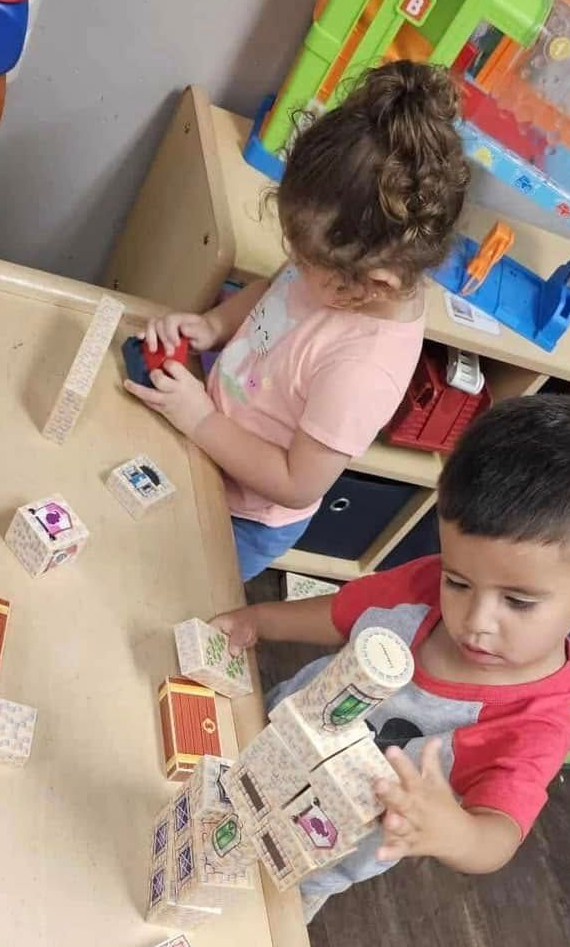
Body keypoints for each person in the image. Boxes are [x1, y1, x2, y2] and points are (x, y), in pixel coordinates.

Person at [212, 392, 570, 919]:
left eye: (518, 601)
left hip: (310, 863)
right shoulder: (421, 586)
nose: (476, 621)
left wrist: (455, 833)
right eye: (458, 581)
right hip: (260, 736)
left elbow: (498, 835)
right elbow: (344, 614)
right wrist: (258, 621)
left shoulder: (537, 723)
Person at [124, 61, 469, 581]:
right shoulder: (334, 275)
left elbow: (295, 481)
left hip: (246, 514)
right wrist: (214, 327)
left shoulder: (362, 371)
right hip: (213, 437)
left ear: (375, 284)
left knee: (172, 583)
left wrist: (199, 420)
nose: (293, 263)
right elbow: (274, 291)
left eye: (306, 261)